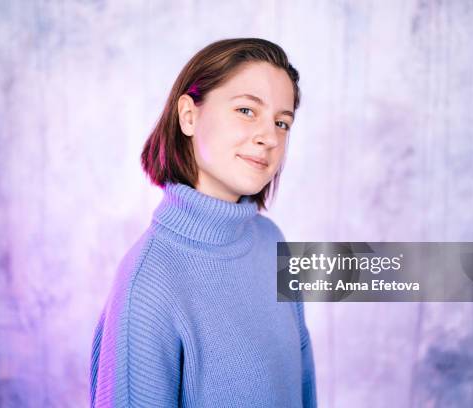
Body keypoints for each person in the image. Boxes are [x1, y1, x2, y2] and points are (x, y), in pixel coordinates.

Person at [90, 37, 317, 408]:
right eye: (246, 110)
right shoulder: (147, 285)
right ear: (189, 116)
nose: (269, 137)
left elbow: (303, 391)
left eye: (282, 122)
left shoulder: (273, 243)